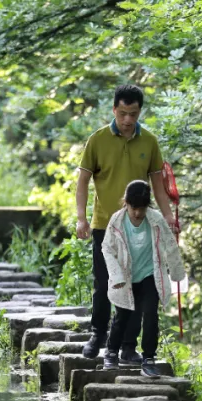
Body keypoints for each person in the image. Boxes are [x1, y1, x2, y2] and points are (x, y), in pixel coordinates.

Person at [76, 84, 178, 362]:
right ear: (114, 110)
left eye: (133, 114)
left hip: (138, 227)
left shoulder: (149, 142)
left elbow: (158, 185)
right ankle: (98, 333)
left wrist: (168, 216)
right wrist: (81, 218)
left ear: (139, 112)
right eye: (122, 113)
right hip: (104, 225)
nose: (127, 120)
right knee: (104, 281)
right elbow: (83, 181)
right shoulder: (97, 140)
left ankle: (125, 346)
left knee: (134, 285)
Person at [100, 180, 185, 378]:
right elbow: (107, 249)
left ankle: (148, 358)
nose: (137, 213)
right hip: (126, 276)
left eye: (142, 209)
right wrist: (117, 275)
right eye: (133, 208)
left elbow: (170, 245)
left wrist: (176, 272)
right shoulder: (117, 221)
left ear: (148, 206)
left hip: (149, 275)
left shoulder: (155, 220)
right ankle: (111, 353)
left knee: (150, 315)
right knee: (122, 316)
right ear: (126, 203)